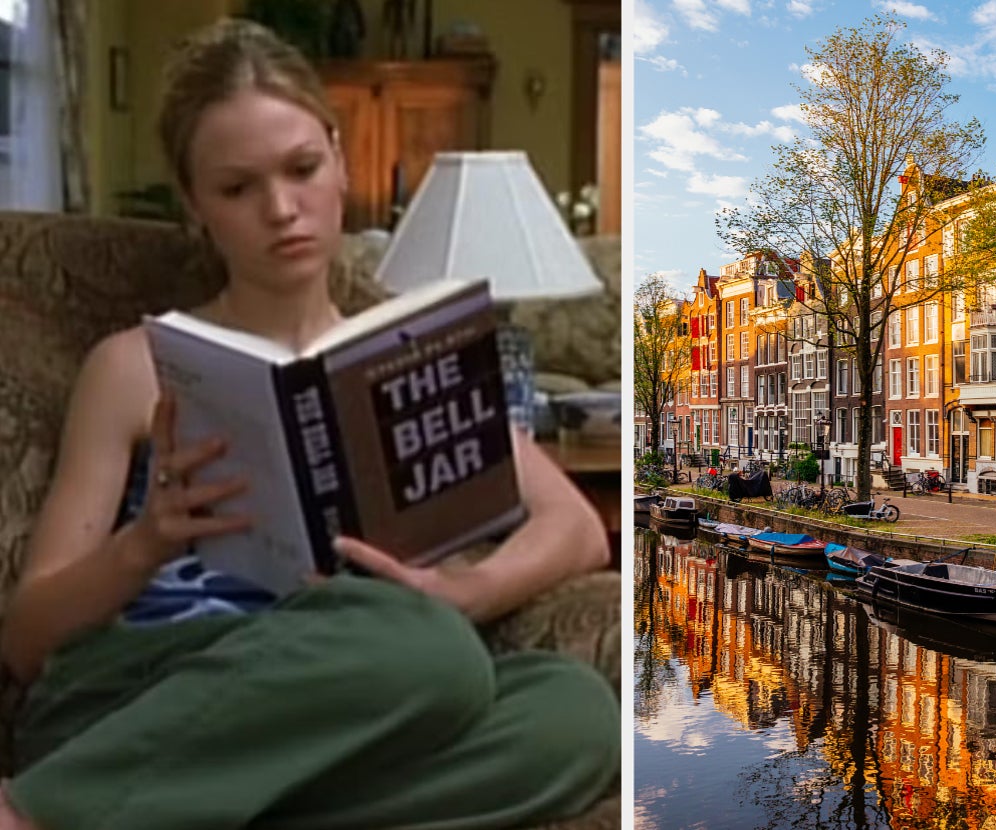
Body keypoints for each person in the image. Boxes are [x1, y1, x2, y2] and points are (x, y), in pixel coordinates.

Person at [0, 18, 618, 830]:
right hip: (146, 687)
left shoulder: (404, 352)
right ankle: (35, 812)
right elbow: (25, 639)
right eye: (237, 188)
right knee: (423, 649)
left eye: (301, 168)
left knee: (575, 713)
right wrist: (145, 540)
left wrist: (460, 592)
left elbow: (577, 528)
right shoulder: (136, 365)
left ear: (339, 157)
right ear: (196, 204)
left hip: (353, 692)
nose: (282, 209)